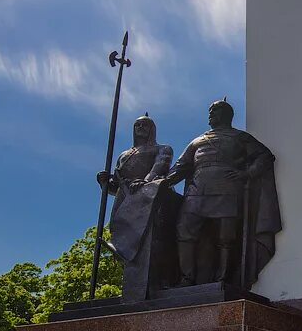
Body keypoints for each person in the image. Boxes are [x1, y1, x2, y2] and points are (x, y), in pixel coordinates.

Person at [164, 98, 281, 287]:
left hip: (227, 189)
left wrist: (247, 174)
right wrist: (162, 182)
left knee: (225, 236)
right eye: (210, 110)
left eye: (216, 110)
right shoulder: (197, 141)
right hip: (197, 191)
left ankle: (223, 277)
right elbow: (181, 167)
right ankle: (187, 277)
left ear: (227, 115)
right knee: (184, 231)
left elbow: (265, 156)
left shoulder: (240, 137)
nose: (211, 113)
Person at [97, 114, 178, 300]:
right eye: (137, 125)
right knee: (122, 239)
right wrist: (105, 183)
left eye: (145, 125)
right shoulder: (124, 155)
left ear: (152, 129)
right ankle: (133, 285)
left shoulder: (162, 148)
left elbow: (161, 167)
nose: (140, 127)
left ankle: (157, 282)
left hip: (150, 198)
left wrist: (145, 182)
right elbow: (116, 185)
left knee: (151, 241)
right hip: (125, 200)